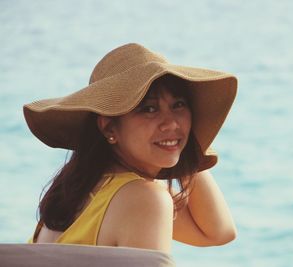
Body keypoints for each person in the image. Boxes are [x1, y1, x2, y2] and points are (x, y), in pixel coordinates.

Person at [23, 43, 238, 255]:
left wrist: (186, 144)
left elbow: (218, 232)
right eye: (150, 109)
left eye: (178, 105)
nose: (171, 123)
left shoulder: (76, 192)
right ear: (108, 127)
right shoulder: (143, 199)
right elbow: (218, 234)